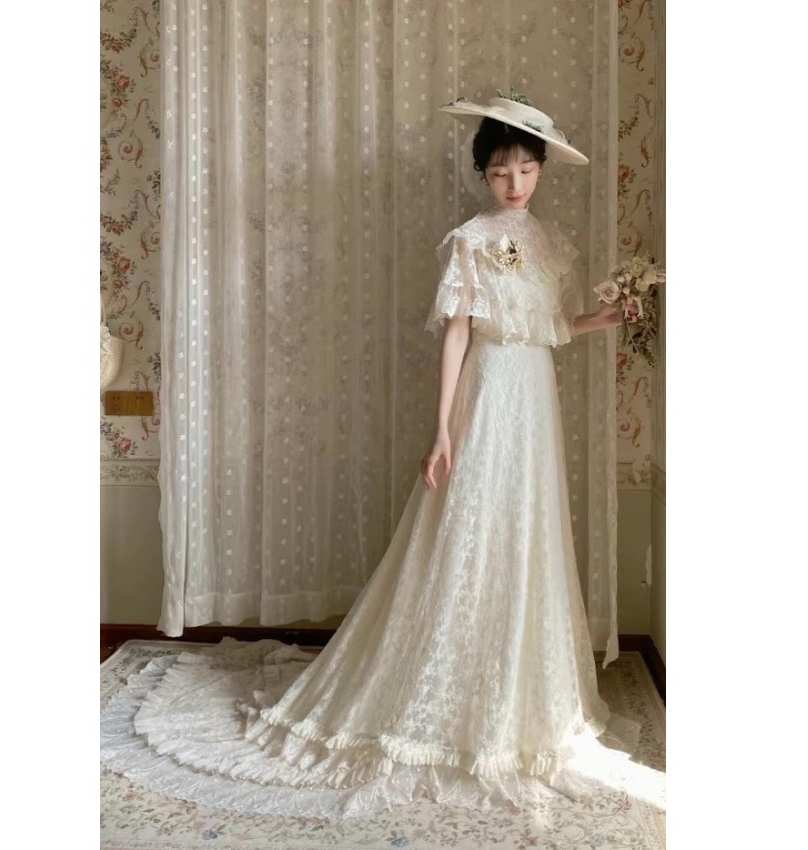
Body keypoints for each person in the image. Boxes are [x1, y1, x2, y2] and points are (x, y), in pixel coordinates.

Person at [100, 94, 663, 822]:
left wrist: (605, 318)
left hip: (536, 402)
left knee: (527, 530)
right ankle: (444, 685)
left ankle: (521, 691)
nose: (514, 183)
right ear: (483, 174)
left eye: (526, 169)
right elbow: (458, 334)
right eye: (500, 171)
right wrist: (443, 430)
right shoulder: (469, 241)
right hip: (488, 393)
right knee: (466, 529)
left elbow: (551, 327)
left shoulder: (551, 243)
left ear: (541, 170)